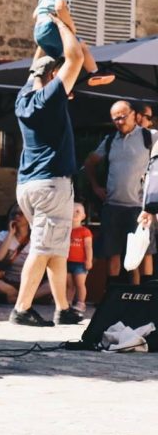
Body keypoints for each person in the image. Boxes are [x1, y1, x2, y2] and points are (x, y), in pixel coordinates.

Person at [11, 16, 84, 327]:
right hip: (51, 185)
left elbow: (36, 65)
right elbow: (76, 57)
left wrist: (44, 32)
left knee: (55, 247)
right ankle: (22, 308)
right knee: (42, 248)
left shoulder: (23, 98)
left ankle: (63, 307)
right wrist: (64, 22)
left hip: (28, 185)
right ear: (54, 76)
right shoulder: (49, 98)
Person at [84, 100, 157, 285]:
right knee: (112, 252)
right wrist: (95, 186)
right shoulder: (110, 141)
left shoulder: (150, 137)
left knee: (144, 251)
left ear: (134, 115)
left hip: (140, 208)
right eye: (115, 119)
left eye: (122, 117)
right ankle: (112, 297)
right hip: (113, 205)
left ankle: (145, 297)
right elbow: (89, 163)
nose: (119, 122)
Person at [31, 0, 106, 82]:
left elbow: (35, 14)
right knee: (81, 46)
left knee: (58, 60)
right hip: (51, 28)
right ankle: (95, 73)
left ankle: (52, 84)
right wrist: (71, 26)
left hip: (39, 32)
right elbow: (60, 7)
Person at [67, 201, 93, 313]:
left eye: (78, 211)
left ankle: (81, 303)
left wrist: (89, 260)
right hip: (67, 261)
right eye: (72, 211)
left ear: (83, 216)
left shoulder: (85, 231)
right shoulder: (65, 231)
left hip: (80, 263)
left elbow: (88, 247)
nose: (75, 213)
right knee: (69, 284)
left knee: (80, 284)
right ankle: (67, 302)